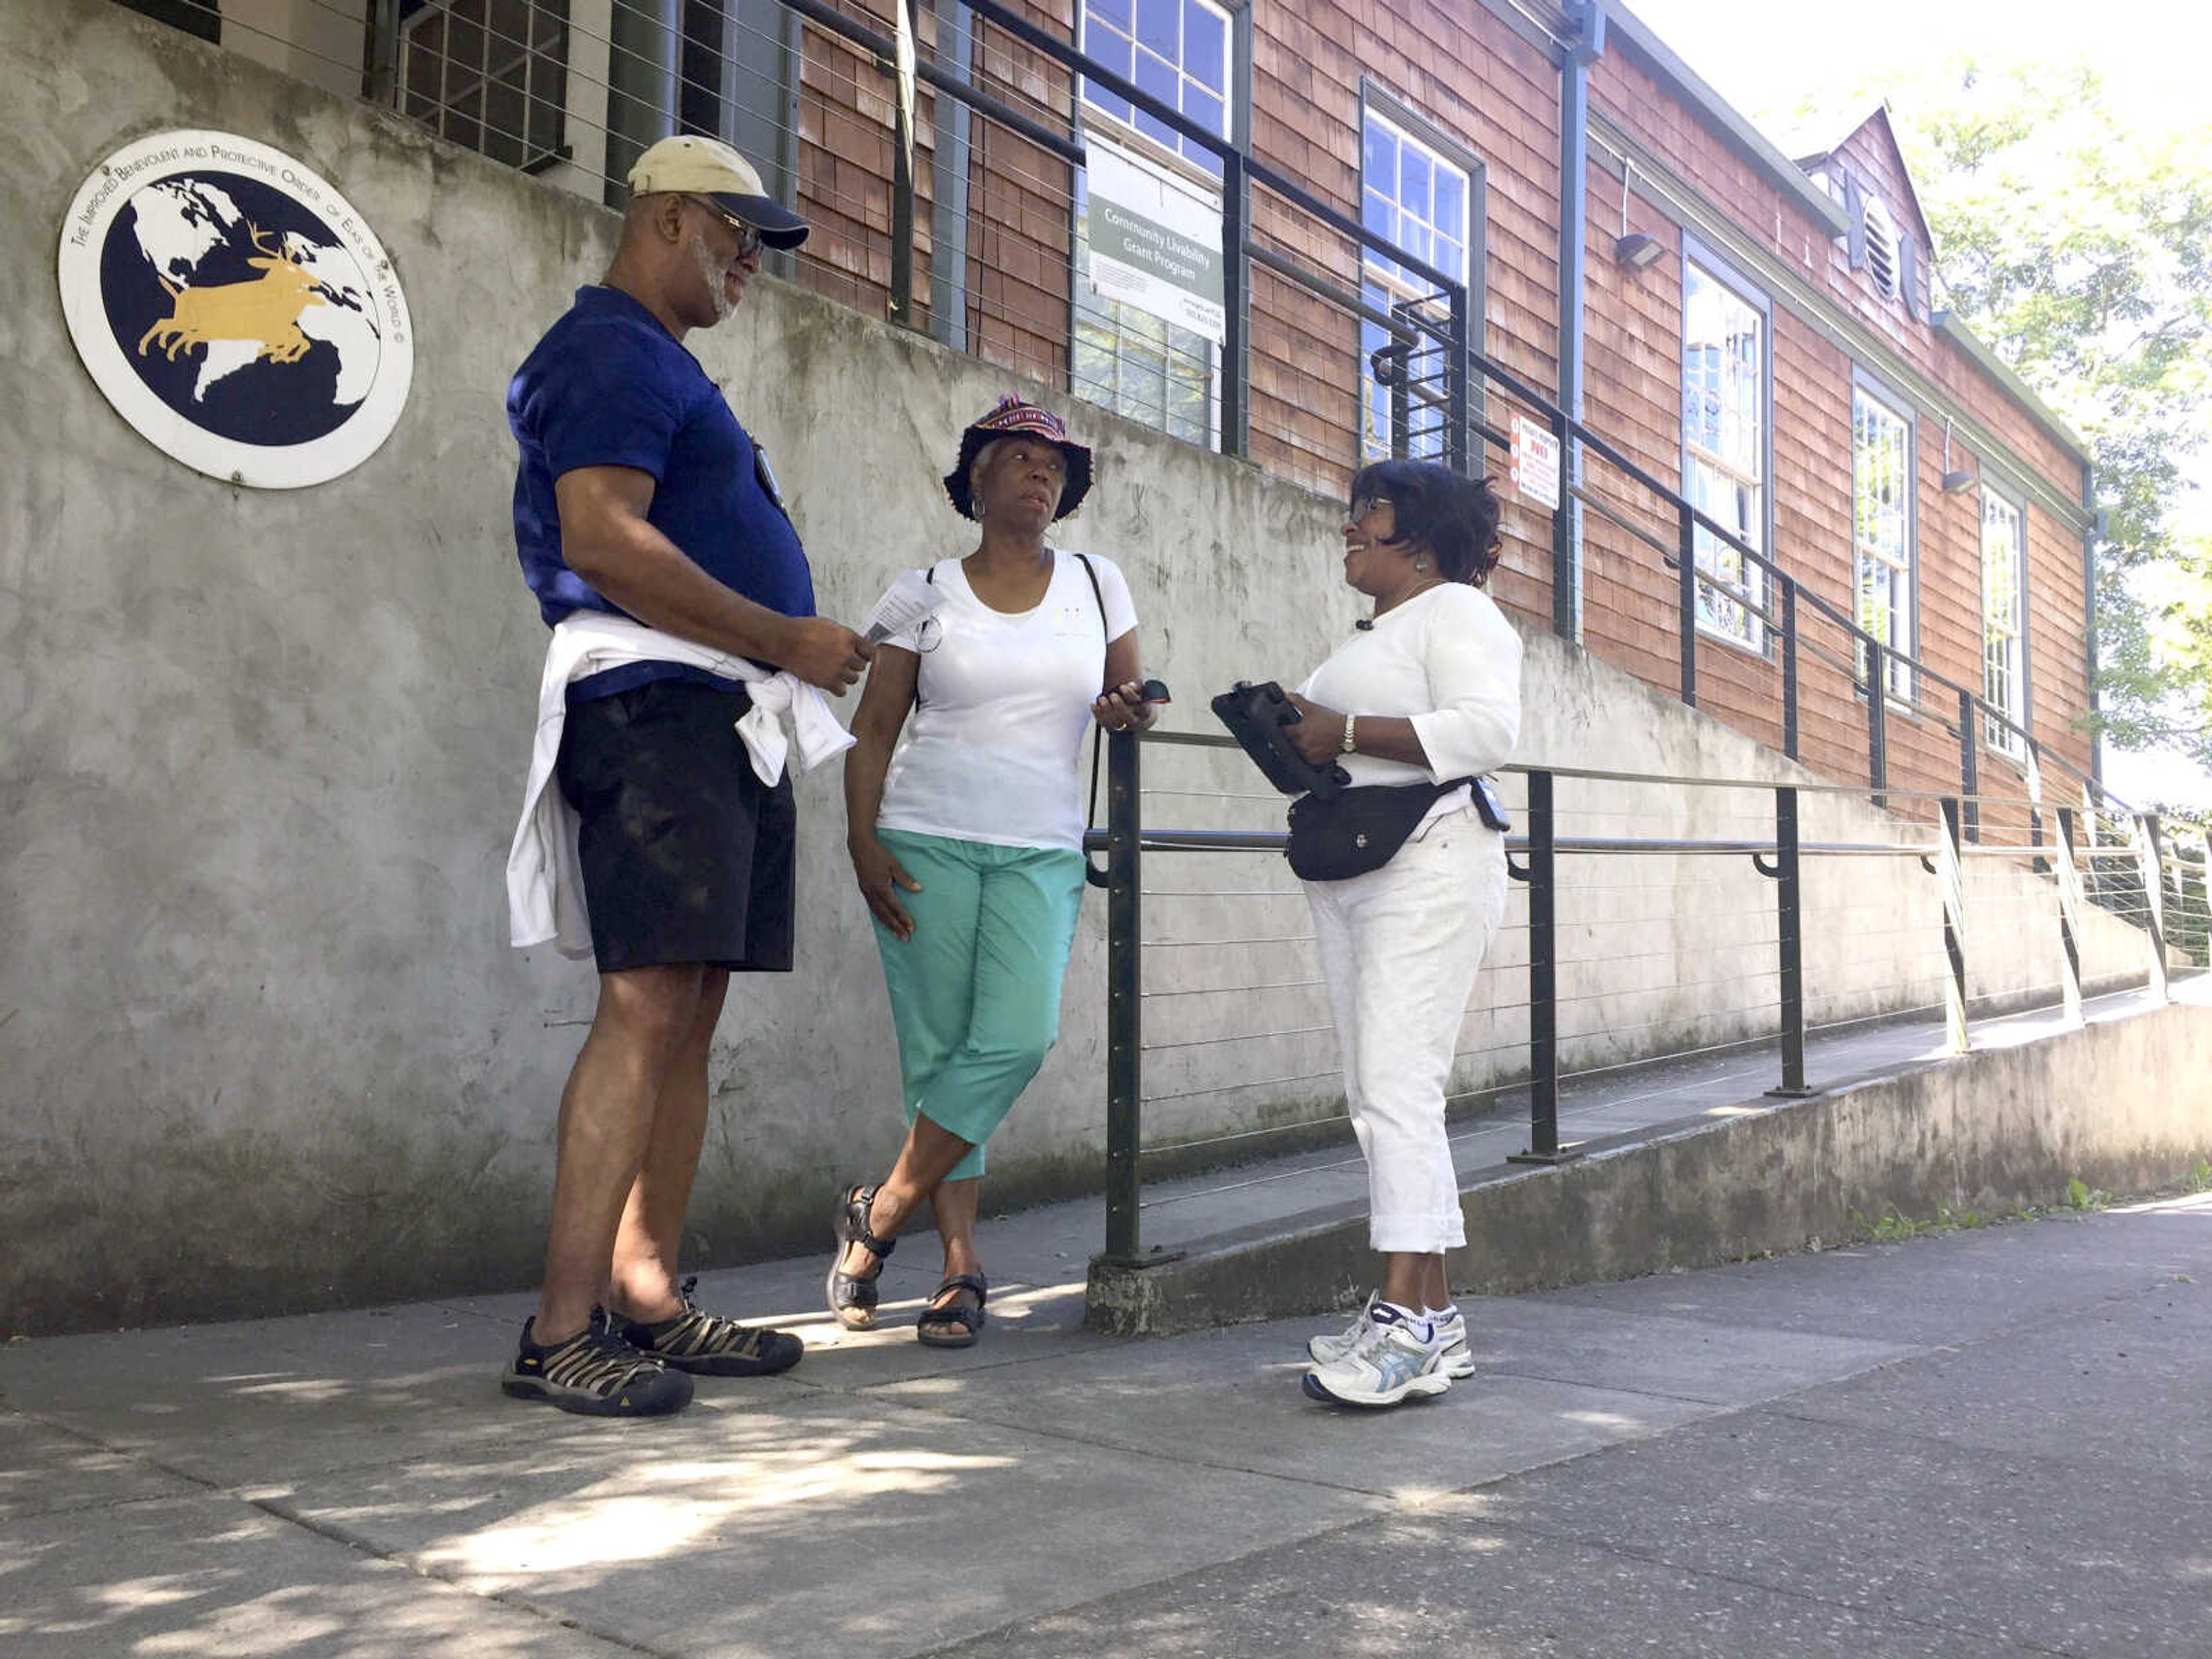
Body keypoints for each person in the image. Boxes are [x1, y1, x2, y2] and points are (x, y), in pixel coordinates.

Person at [499, 134, 873, 1417]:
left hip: (718, 713)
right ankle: (561, 1332)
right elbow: (602, 534)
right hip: (656, 705)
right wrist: (784, 637)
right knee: (648, 1004)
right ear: (665, 218)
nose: (748, 267)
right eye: (734, 237)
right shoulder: (610, 347)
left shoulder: (655, 363)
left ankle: (644, 1296)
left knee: (690, 1009)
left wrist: (777, 656)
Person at [827, 396, 1153, 1347]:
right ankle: (960, 1267)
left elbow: (1129, 696)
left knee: (1014, 1038)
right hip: (923, 837)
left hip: (1041, 847)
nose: (1039, 474)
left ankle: (879, 1214)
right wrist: (860, 842)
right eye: (1018, 456)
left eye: (1053, 465)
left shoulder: (1099, 584)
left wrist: (1132, 708)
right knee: (936, 1052)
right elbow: (874, 729)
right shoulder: (922, 589)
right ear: (976, 477)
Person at [1282, 460, 1521, 1409]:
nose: (1348, 527)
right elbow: (1340, 738)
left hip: (1429, 859)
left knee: (1396, 1085)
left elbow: (1488, 729)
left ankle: (1405, 1328)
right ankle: (1440, 1319)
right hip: (1363, 867)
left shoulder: (1459, 613)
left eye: (1366, 514)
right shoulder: (1385, 630)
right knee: (1379, 1091)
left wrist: (1341, 732)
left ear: (1418, 541)